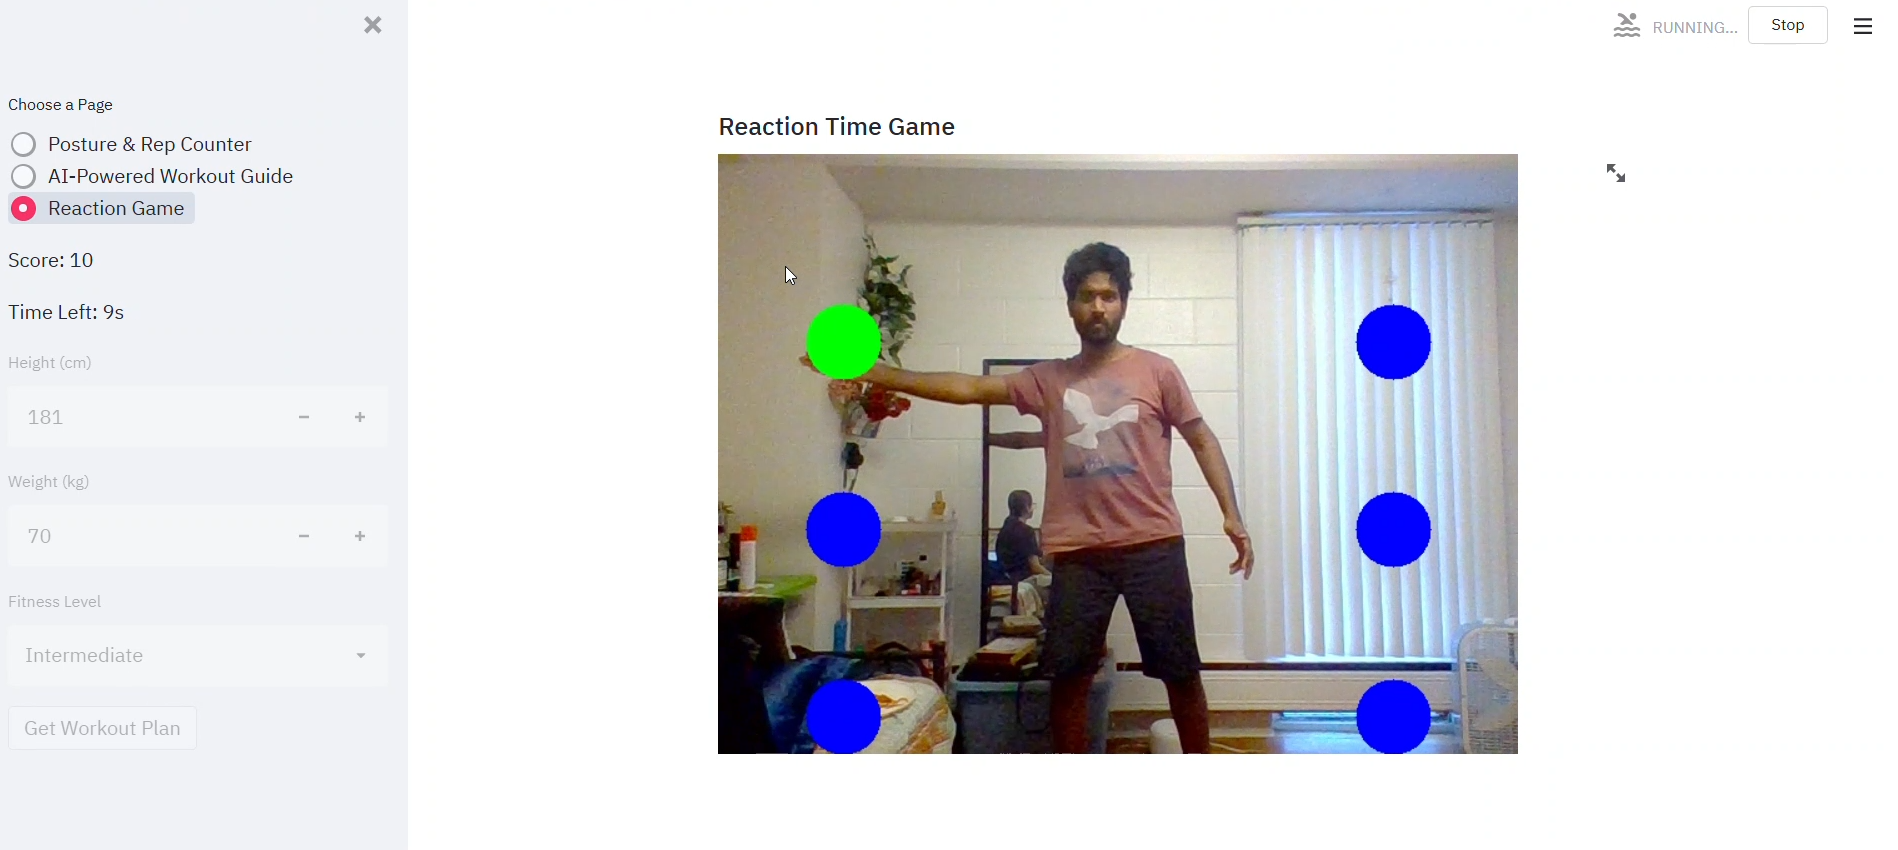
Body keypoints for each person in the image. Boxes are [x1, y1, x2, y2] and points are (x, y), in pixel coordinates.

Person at [802, 242, 1253, 753]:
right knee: (1068, 678)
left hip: (1153, 545)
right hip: (1078, 553)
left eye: (1109, 296)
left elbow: (1201, 438)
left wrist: (1231, 515)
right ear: (1071, 305)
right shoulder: (1047, 379)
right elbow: (969, 388)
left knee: (1180, 672)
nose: (1098, 307)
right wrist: (873, 370)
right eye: (1087, 296)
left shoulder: (1158, 371)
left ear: (1124, 303)